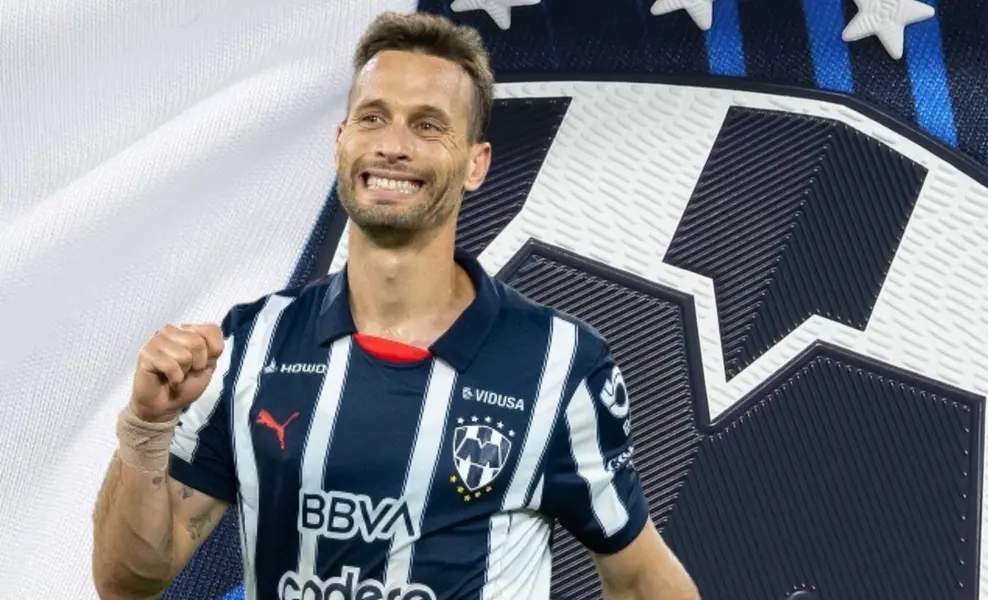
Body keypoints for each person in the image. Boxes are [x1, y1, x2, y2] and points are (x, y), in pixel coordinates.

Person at [90, 10, 700, 600]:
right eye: (373, 118)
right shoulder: (254, 342)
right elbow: (129, 581)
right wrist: (146, 427)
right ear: (341, 142)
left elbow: (642, 579)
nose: (393, 146)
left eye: (428, 125)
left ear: (475, 164)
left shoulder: (559, 366)